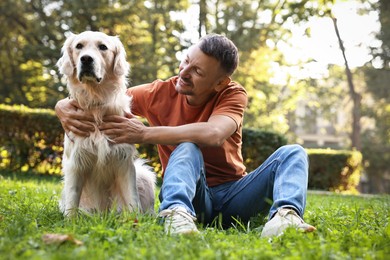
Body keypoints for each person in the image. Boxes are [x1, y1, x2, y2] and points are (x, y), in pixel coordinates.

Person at [55, 34, 316, 237]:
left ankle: (285, 218)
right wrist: (62, 106)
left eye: (197, 71)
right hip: (192, 197)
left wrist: (145, 133)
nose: (183, 72)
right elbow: (105, 96)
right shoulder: (158, 92)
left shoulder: (232, 94)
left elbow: (213, 133)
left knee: (293, 152)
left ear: (219, 83)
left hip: (234, 195)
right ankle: (175, 216)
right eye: (186, 60)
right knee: (187, 147)